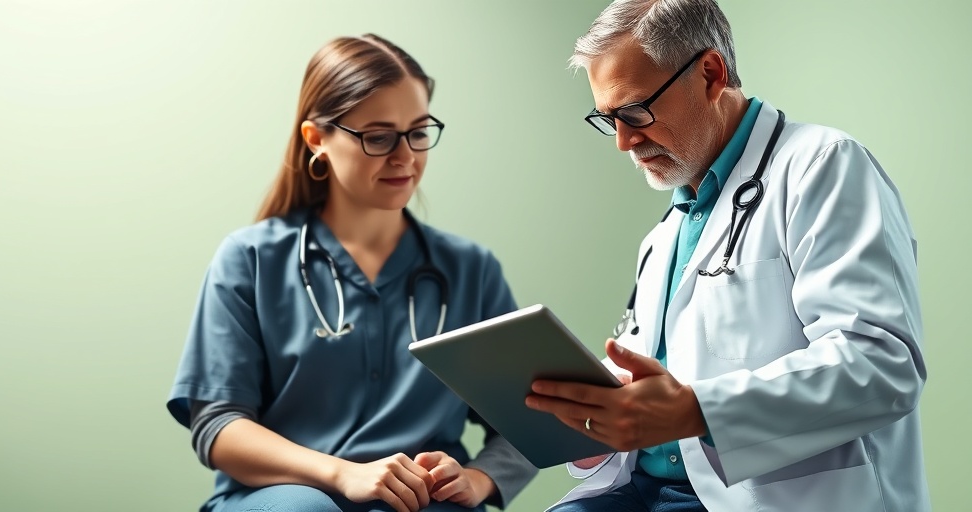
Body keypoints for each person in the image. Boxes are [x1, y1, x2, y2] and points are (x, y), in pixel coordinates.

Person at [523, 1, 929, 511]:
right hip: (641, 490)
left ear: (711, 74)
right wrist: (593, 416)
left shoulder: (823, 167)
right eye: (609, 120)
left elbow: (882, 365)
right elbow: (651, 377)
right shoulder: (667, 233)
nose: (624, 141)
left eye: (635, 112)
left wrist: (695, 411)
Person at [166, 33, 537, 512]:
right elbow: (218, 426)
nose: (405, 157)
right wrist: (342, 474)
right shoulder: (249, 259)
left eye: (418, 132)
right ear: (317, 139)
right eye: (378, 137)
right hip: (284, 499)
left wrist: (479, 479)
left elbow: (528, 420)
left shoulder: (471, 270)